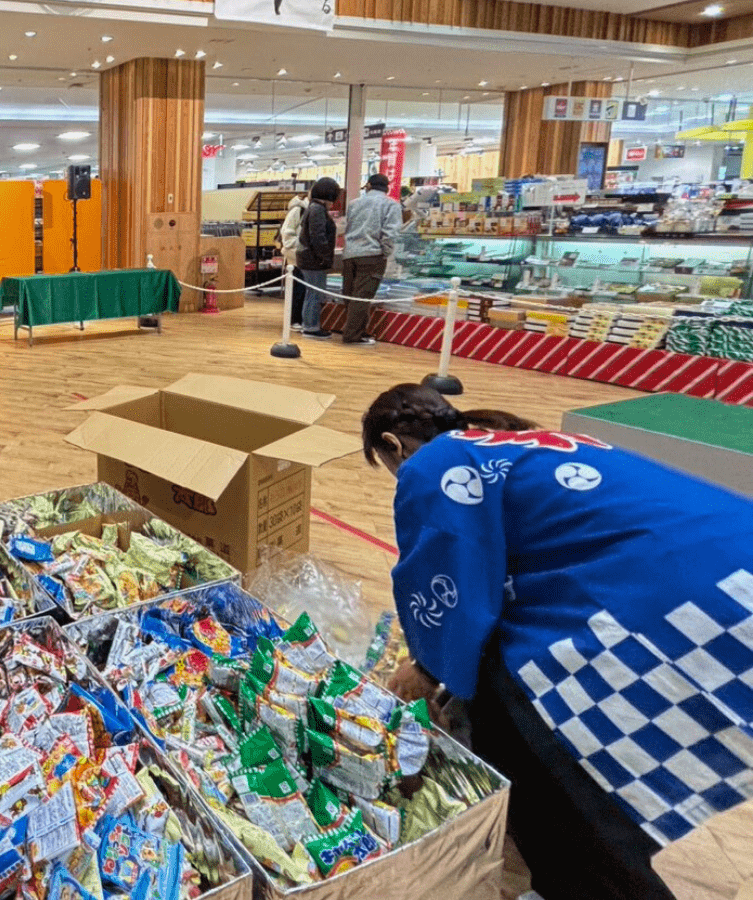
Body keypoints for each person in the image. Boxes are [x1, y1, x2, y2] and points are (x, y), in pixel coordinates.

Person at [364, 383, 753, 900]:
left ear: (393, 445)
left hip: (689, 597)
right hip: (724, 557)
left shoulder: (436, 463)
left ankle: (585, 876)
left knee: (545, 759)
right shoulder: (511, 442)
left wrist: (427, 668)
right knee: (596, 778)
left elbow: (449, 575)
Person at [339, 173, 402, 345]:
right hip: (372, 255)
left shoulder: (354, 204)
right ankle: (352, 335)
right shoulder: (391, 204)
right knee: (362, 296)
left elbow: (346, 227)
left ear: (368, 186)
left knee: (350, 294)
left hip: (349, 254)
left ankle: (358, 331)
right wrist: (385, 252)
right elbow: (391, 233)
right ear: (387, 187)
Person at [297, 177, 339, 339]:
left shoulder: (313, 207)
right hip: (314, 260)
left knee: (311, 293)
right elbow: (318, 236)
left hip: (308, 258)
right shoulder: (318, 210)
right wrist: (325, 257)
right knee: (315, 294)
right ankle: (311, 327)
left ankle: (309, 325)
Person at [277, 191, 307, 330]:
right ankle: (294, 319)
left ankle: (299, 319)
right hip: (295, 256)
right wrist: (302, 243)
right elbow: (287, 234)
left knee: (302, 289)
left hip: (303, 255)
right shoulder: (298, 210)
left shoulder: (308, 210)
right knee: (297, 289)